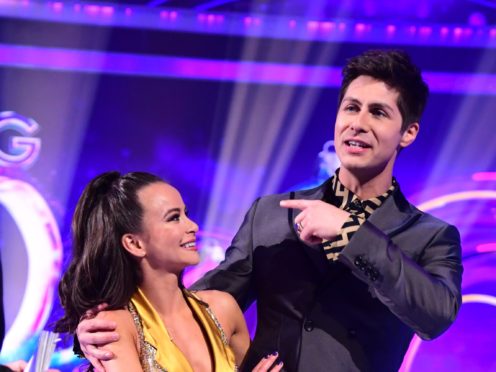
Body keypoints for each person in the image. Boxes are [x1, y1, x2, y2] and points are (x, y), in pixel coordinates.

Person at [76, 50, 463, 371]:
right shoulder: (271, 213)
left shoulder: (430, 235)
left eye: (378, 113)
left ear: (408, 132)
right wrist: (114, 327)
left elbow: (436, 315)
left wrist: (352, 235)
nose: (358, 124)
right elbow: (200, 307)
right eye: (351, 108)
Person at [55, 171, 283, 371]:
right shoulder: (113, 327)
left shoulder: (224, 308)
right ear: (135, 244)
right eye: (174, 218)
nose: (192, 226)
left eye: (186, 213)